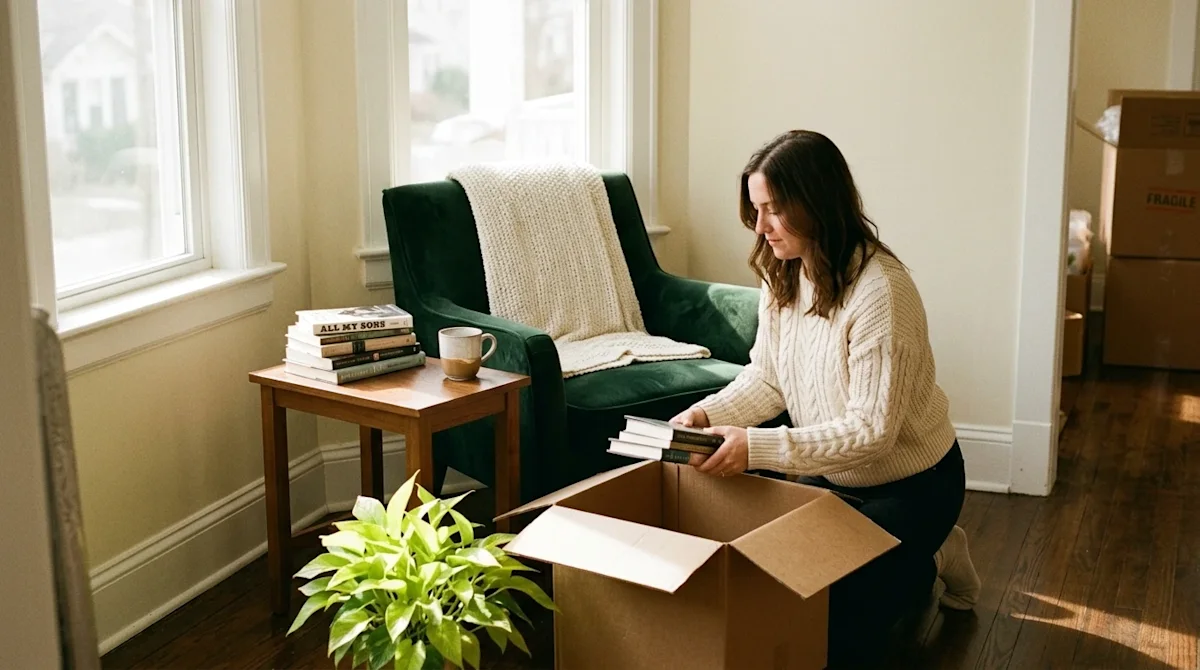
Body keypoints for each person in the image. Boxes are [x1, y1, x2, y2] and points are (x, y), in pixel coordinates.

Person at [670, 130, 980, 665]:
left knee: (841, 625)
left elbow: (871, 432)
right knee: (779, 594)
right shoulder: (783, 274)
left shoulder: (882, 291)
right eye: (755, 209)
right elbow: (768, 378)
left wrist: (756, 448)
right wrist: (706, 414)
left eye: (773, 210)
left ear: (815, 203)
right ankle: (914, 556)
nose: (761, 227)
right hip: (835, 475)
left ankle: (935, 551)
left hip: (915, 484)